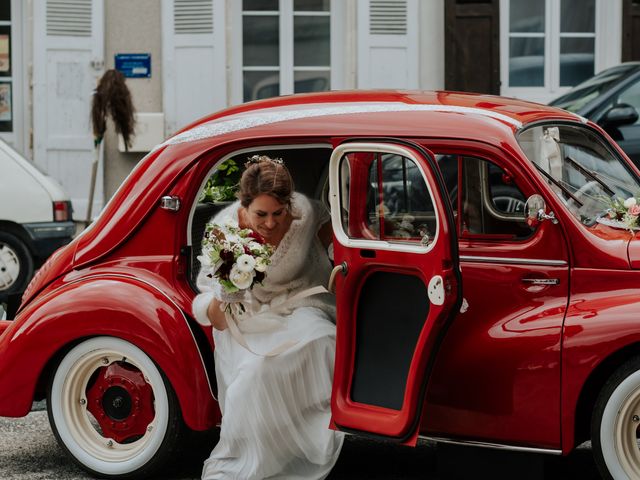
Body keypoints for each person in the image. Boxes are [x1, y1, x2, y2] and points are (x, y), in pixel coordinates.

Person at [192, 155, 344, 480]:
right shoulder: (224, 232)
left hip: (305, 304)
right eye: (261, 214)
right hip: (249, 318)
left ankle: (303, 438)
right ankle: (253, 461)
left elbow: (339, 237)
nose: (271, 223)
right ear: (243, 204)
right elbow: (217, 317)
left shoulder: (307, 212)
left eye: (279, 212)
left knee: (322, 340)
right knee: (256, 372)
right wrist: (230, 285)